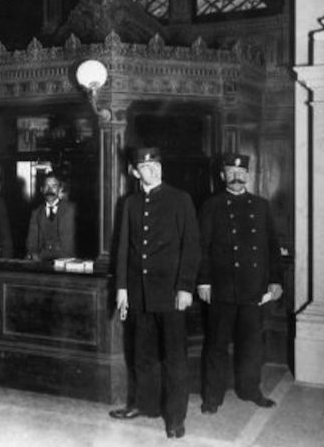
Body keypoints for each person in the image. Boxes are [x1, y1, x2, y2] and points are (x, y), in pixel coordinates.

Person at [110, 147, 200, 439]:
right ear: (134, 172)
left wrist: (185, 286)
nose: (152, 170)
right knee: (142, 355)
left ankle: (175, 418)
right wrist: (122, 289)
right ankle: (143, 405)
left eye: (156, 165)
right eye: (145, 167)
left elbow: (191, 247)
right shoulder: (130, 203)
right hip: (138, 294)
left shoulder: (180, 199)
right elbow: (123, 248)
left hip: (171, 293)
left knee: (175, 359)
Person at [197, 152, 283, 414]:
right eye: (231, 173)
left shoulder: (261, 205)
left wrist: (275, 280)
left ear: (248, 175)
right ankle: (212, 397)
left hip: (252, 288)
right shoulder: (210, 206)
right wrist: (203, 282)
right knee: (216, 345)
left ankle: (250, 389)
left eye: (241, 173)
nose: (236, 177)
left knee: (251, 344)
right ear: (222, 176)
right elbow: (201, 248)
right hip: (221, 289)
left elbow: (272, 247)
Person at [25, 172, 76, 261]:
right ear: (42, 189)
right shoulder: (36, 213)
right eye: (46, 186)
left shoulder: (70, 210)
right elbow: (31, 244)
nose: (50, 190)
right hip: (41, 266)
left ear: (60, 189)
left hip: (65, 264)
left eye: (54, 186)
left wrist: (40, 255)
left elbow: (68, 249)